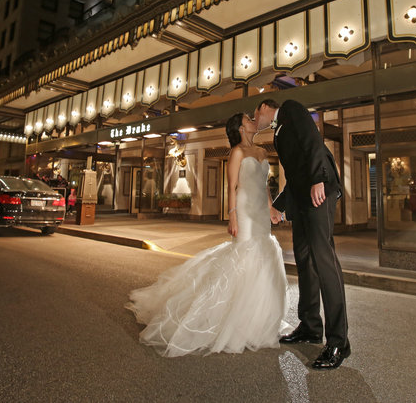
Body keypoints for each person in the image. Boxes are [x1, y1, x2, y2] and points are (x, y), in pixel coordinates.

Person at [126, 113, 287, 357]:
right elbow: (233, 187)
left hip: (261, 213)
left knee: (263, 255)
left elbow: (264, 185)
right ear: (241, 128)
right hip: (244, 210)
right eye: (248, 119)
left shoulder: (263, 152)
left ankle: (258, 318)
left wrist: (271, 207)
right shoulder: (236, 152)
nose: (253, 119)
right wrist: (232, 216)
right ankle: (229, 319)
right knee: (244, 256)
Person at [254, 98, 350, 370]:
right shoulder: (278, 131)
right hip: (304, 200)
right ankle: (310, 326)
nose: (255, 120)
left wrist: (320, 176)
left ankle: (339, 342)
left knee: (324, 261)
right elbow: (294, 176)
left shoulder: (291, 108)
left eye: (255, 114)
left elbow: (313, 141)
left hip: (319, 193)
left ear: (264, 107)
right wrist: (278, 207)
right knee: (304, 260)